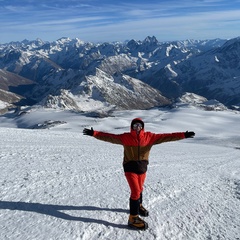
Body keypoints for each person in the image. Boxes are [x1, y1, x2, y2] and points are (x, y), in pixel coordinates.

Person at [83, 118, 195, 230]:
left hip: (142, 168)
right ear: (131, 127)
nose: (138, 128)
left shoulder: (150, 137)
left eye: (140, 126)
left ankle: (139, 205)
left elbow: (167, 137)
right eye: (135, 125)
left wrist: (183, 135)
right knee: (135, 191)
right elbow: (110, 137)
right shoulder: (125, 137)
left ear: (143, 127)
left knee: (140, 189)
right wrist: (94, 133)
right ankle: (133, 218)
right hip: (130, 168)